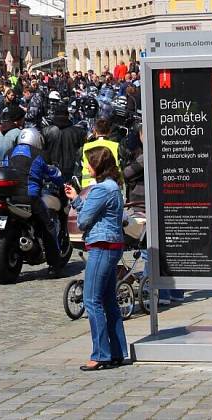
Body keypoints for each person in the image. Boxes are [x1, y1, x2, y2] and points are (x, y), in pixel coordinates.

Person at [64, 146, 129, 370]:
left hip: (102, 246)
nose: (85, 166)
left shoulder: (101, 189)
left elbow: (83, 221)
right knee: (109, 300)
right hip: (112, 244)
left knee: (92, 300)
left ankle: (101, 354)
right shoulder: (113, 187)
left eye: (89, 163)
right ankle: (118, 351)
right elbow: (97, 212)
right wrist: (77, 199)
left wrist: (79, 208)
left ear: (98, 166)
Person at [4, 128, 65, 277]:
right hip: (30, 197)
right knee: (48, 227)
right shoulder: (40, 155)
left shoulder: (9, 152)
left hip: (9, 196)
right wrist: (60, 180)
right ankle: (54, 265)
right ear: (37, 139)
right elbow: (52, 173)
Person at [42, 106, 86, 181]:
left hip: (53, 170)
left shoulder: (46, 131)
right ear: (68, 116)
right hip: (71, 170)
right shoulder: (78, 132)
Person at [82, 119, 120, 187]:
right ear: (109, 132)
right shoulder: (116, 146)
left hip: (87, 184)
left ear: (95, 131)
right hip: (110, 183)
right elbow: (119, 166)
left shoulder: (86, 146)